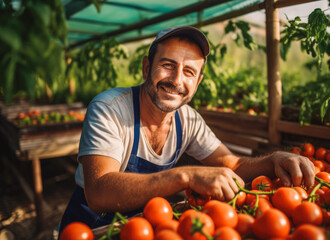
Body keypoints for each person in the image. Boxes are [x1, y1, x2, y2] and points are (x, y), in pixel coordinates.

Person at [58, 26, 315, 235]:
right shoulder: (109, 108)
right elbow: (99, 191)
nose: (177, 80)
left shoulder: (188, 120)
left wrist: (273, 160)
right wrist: (185, 176)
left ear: (198, 82)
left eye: (189, 72)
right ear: (147, 67)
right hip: (92, 227)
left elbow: (232, 164)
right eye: (168, 65)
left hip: (146, 227)